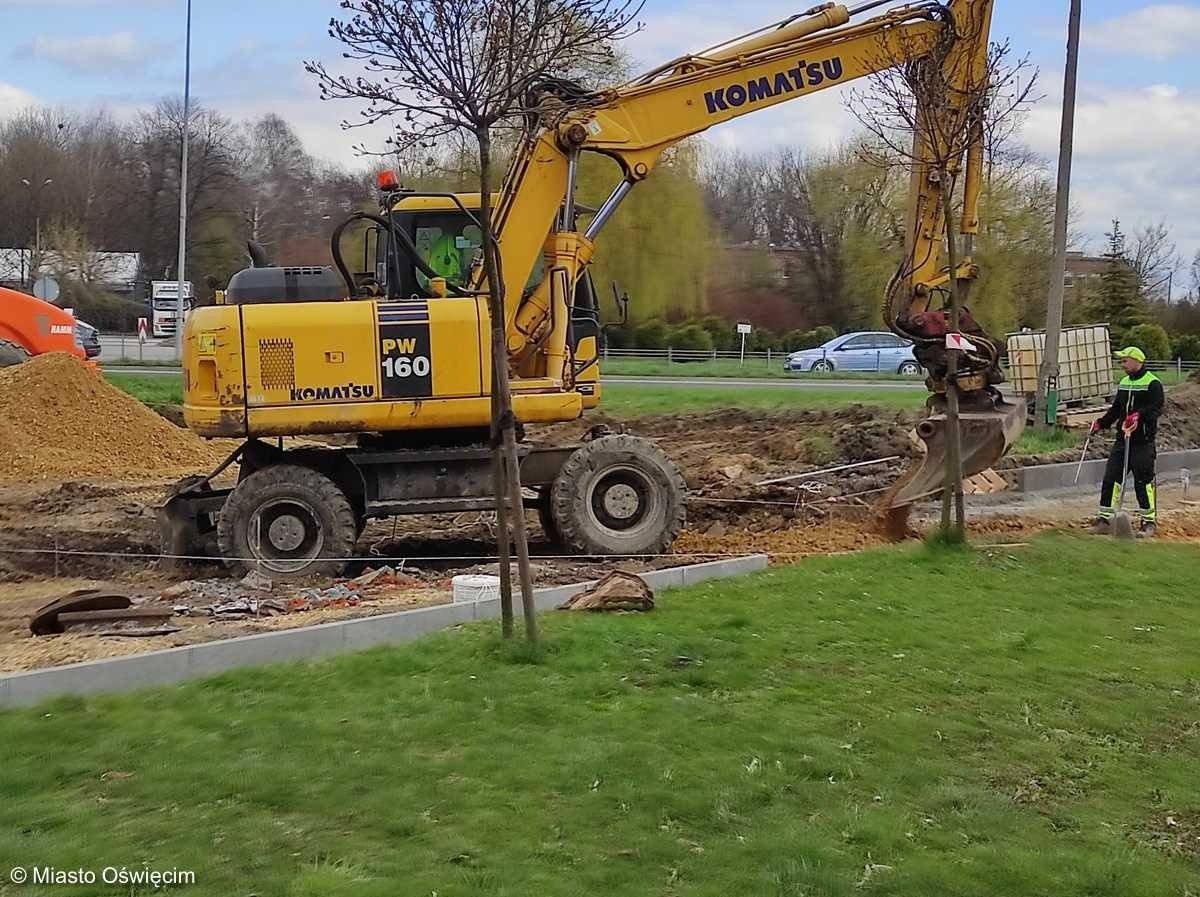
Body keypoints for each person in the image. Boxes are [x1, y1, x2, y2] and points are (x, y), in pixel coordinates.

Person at [1088, 346, 1164, 537]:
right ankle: (1105, 519)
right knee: (1111, 478)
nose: (1122, 364)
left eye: (1125, 361)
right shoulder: (1123, 383)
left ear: (1137, 361)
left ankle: (1148, 522)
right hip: (1122, 440)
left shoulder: (1153, 384)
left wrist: (1139, 415)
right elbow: (1116, 409)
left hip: (1142, 442)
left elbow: (1155, 408)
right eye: (1121, 361)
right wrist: (1101, 423)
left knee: (1143, 481)